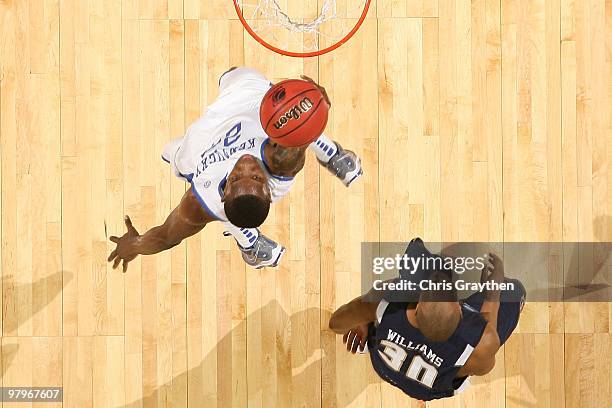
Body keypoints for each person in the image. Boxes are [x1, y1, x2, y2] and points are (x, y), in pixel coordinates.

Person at [107, 67, 362, 271]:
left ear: (224, 191)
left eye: (237, 177)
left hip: (200, 148)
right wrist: (318, 103)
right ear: (267, 189)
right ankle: (333, 155)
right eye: (254, 176)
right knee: (291, 122)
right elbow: (307, 126)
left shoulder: (200, 200)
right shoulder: (282, 161)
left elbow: (165, 237)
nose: (246, 165)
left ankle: (251, 244)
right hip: (248, 115)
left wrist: (135, 246)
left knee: (168, 151)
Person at [328, 239, 525, 401]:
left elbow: (335, 323)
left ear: (416, 308)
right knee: (514, 292)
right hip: (429, 388)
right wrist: (493, 296)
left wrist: (364, 318)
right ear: (462, 310)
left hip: (383, 366)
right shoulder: (482, 340)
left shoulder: (387, 301)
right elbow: (484, 367)